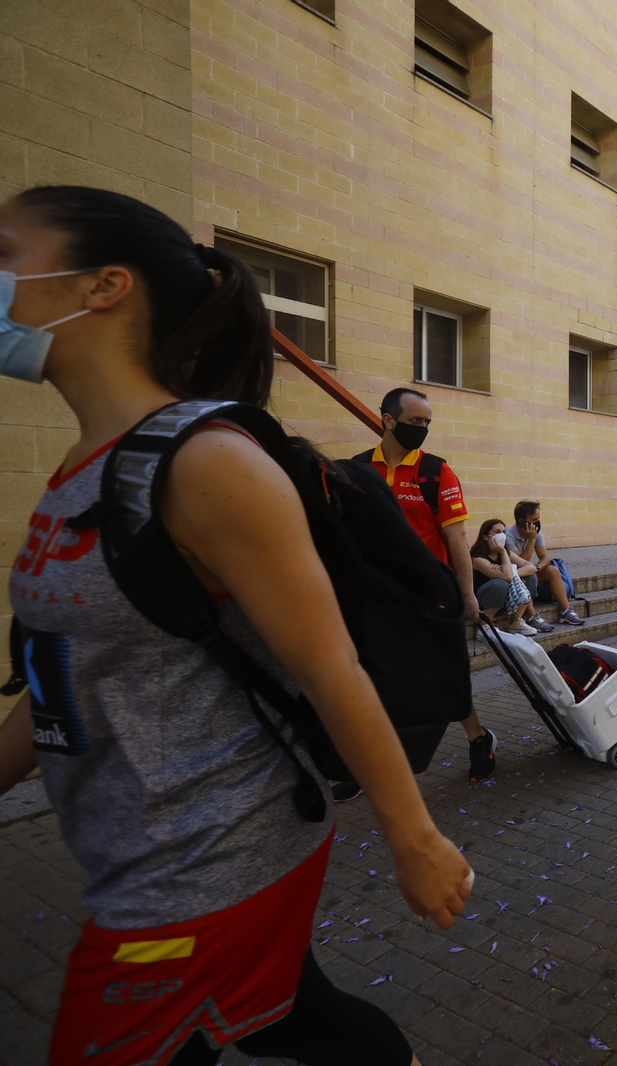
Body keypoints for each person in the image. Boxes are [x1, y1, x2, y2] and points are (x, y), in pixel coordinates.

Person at [0, 185, 469, 1066]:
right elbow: (72, 671)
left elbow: (333, 671)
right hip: (136, 857)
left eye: (5, 251)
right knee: (292, 1013)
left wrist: (417, 840)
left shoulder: (209, 465)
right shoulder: (83, 467)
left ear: (103, 286)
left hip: (200, 867)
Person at [352, 387, 499, 790]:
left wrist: (468, 595)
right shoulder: (360, 469)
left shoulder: (436, 472)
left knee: (446, 674)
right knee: (375, 678)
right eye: (416, 420)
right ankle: (367, 760)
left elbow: (456, 540)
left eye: (427, 422)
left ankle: (480, 739)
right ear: (387, 419)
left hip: (431, 596)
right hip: (378, 597)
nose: (423, 428)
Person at [506, 500, 584, 627]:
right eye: (533, 519)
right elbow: (520, 562)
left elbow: (545, 557)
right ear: (521, 521)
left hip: (529, 571)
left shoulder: (536, 531)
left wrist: (537, 568)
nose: (537, 523)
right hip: (513, 575)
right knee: (527, 576)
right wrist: (531, 540)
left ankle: (566, 612)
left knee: (552, 570)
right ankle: (531, 618)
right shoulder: (508, 534)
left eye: (538, 519)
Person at [469, 519, 543, 636]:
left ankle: (515, 621)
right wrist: (503, 555)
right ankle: (484, 625)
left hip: (507, 599)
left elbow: (531, 567)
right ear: (486, 537)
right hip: (483, 601)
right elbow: (507, 576)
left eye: (503, 531)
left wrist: (512, 571)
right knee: (500, 583)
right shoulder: (478, 557)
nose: (502, 535)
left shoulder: (505, 552)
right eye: (497, 532)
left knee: (531, 577)